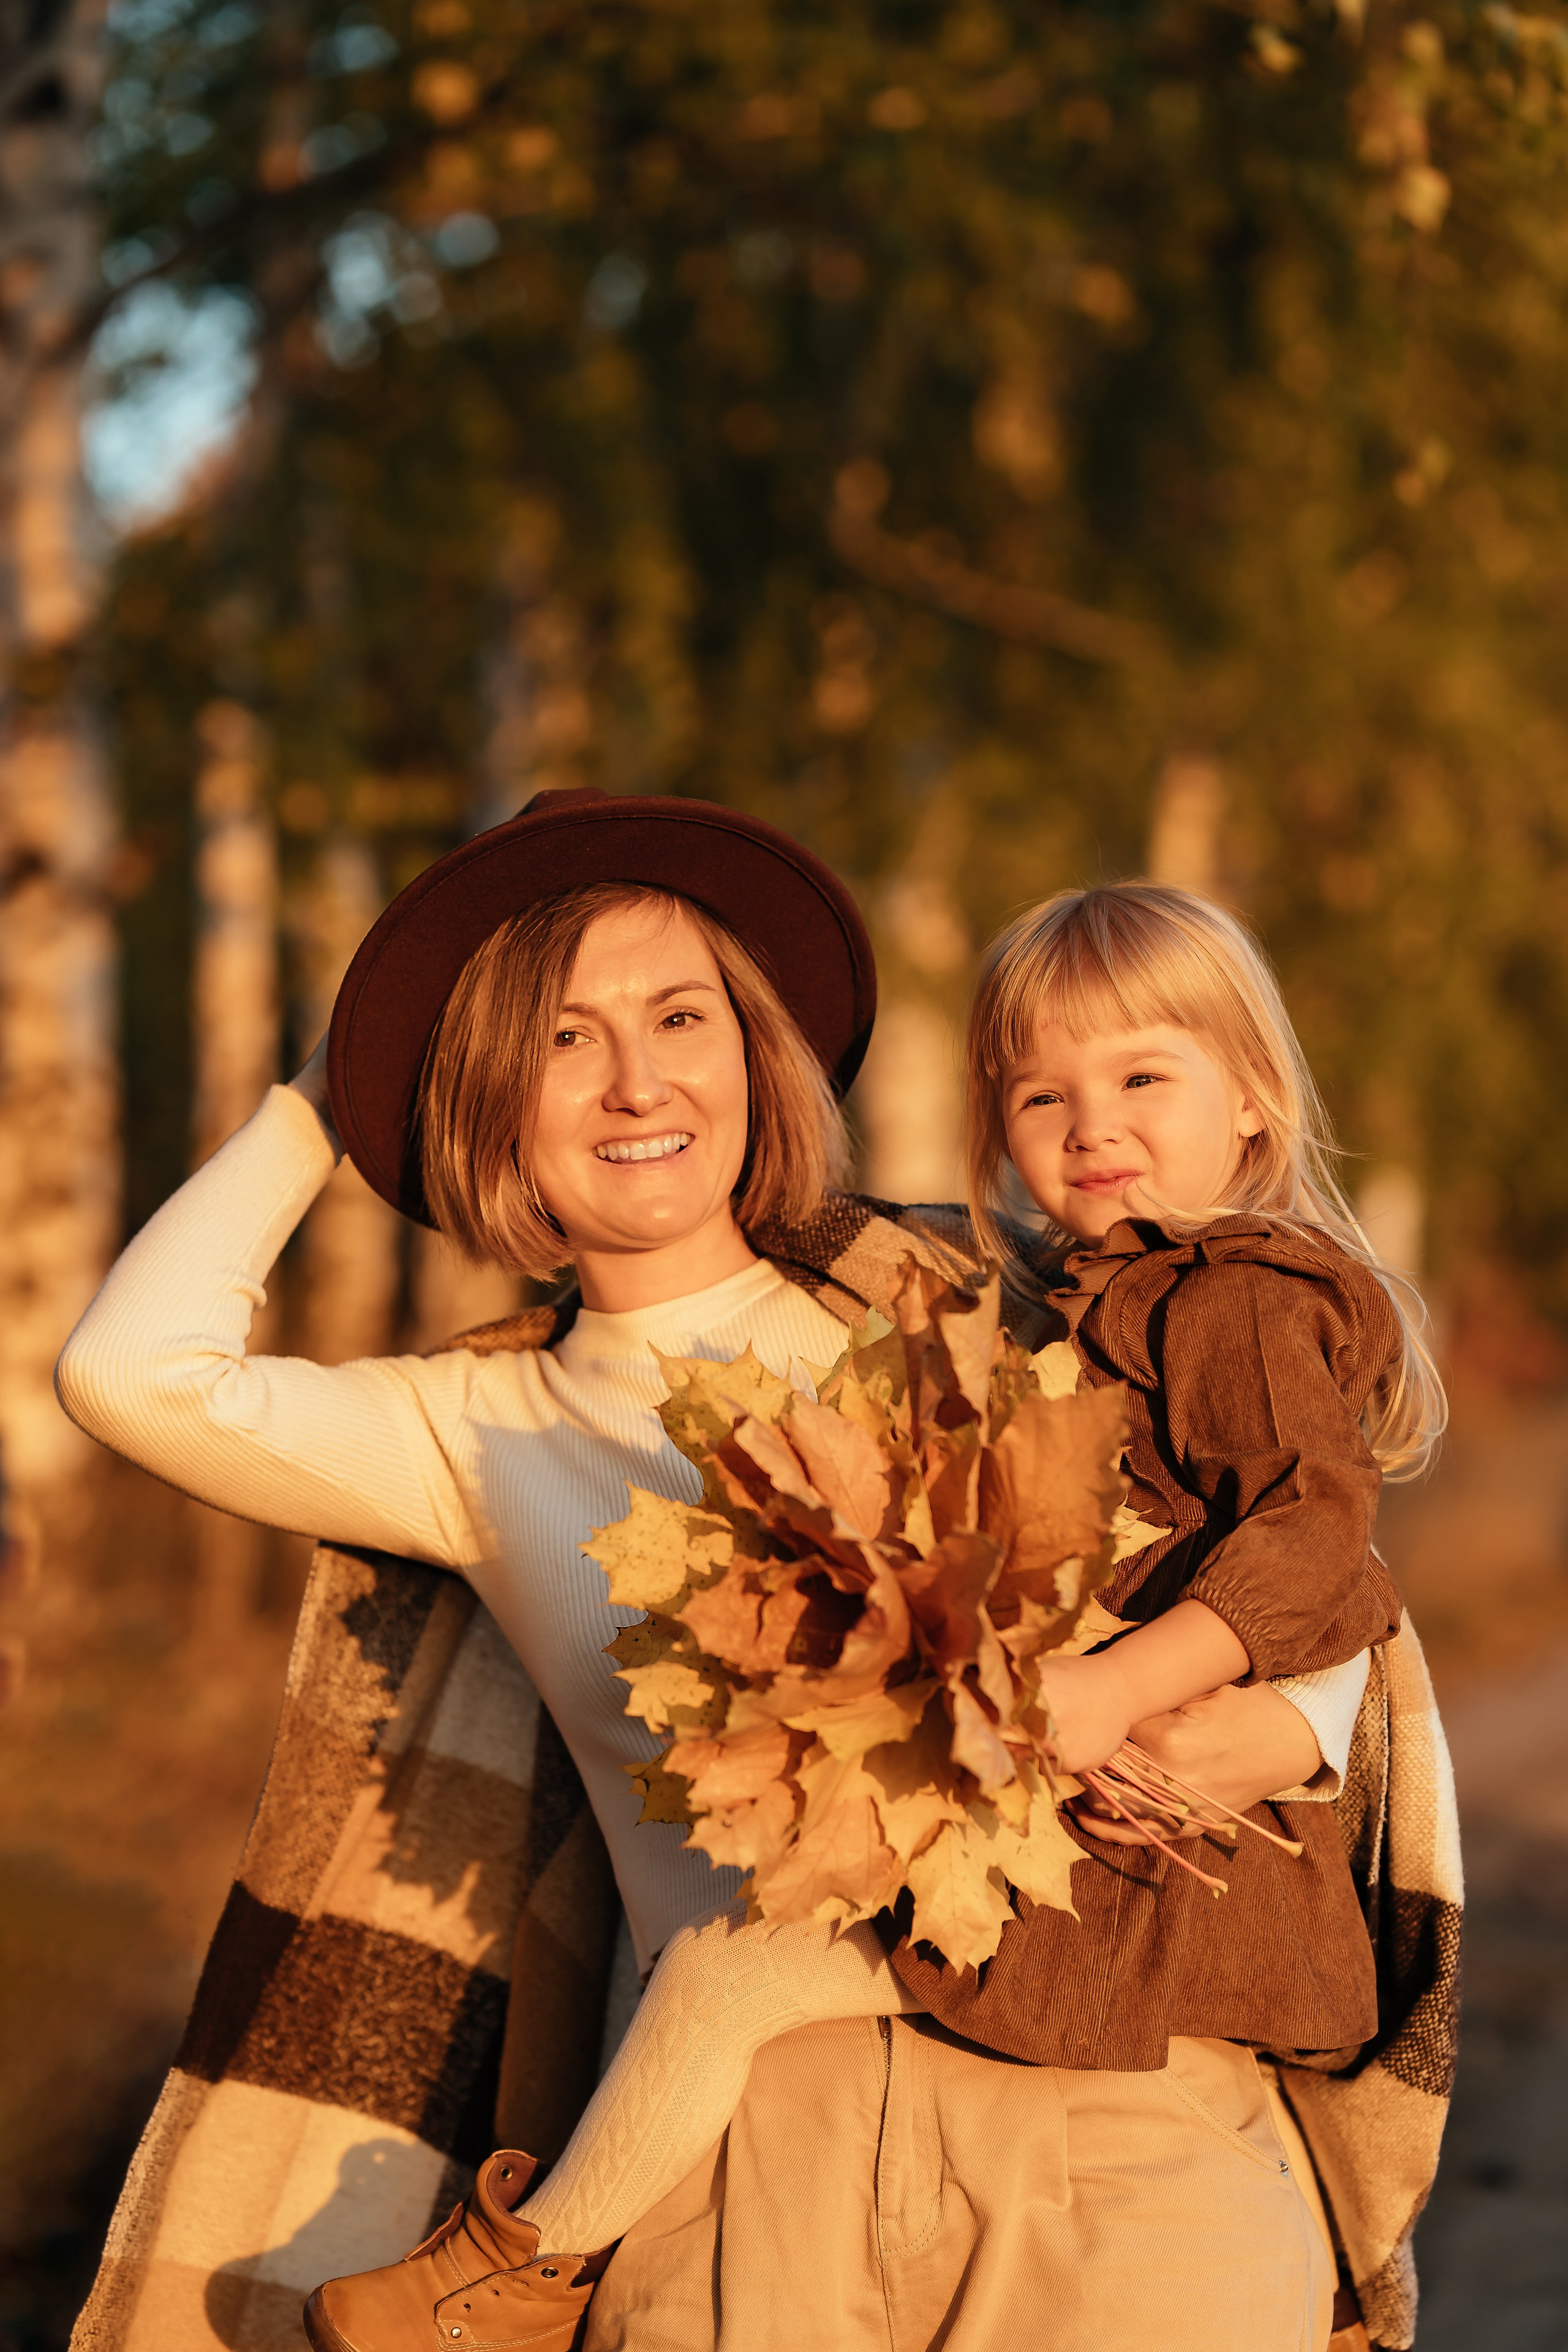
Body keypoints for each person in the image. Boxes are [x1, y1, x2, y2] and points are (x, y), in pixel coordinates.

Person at [56, 803, 1395, 2352]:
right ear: (486, 1096)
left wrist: (1287, 1727)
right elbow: (131, 1372)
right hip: (740, 2176)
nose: (638, 1080)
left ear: (754, 1053)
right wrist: (336, 1074)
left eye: (681, 1015)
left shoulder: (996, 1286)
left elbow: (1299, 1531)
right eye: (563, 1039)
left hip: (1113, 2118)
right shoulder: (470, 1435)